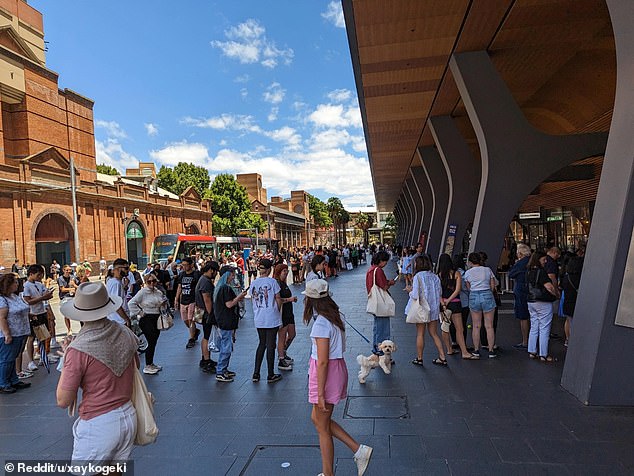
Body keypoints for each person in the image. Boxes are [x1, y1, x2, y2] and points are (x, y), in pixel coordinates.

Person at [56, 282, 139, 467]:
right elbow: (136, 366)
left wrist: (67, 357)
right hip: (128, 415)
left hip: (98, 422)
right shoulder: (125, 332)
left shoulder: (78, 349)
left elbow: (63, 400)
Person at [303, 279, 373, 476]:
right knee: (317, 420)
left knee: (322, 426)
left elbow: (323, 361)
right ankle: (358, 450)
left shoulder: (321, 324)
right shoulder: (335, 316)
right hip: (335, 369)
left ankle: (330, 472)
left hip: (326, 373)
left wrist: (320, 393)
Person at [406, 255, 447, 366]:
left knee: (420, 334)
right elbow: (439, 294)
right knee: (434, 333)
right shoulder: (435, 277)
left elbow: (415, 295)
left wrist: (409, 290)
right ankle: (442, 356)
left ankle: (419, 358)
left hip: (421, 309)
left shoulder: (417, 277)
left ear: (418, 264)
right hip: (433, 308)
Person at [249, 259, 283, 383]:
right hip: (271, 317)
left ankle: (256, 373)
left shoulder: (254, 283)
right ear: (269, 269)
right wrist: (277, 311)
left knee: (261, 344)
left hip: (259, 317)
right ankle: (270, 374)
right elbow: (278, 298)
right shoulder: (272, 282)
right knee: (270, 345)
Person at [128, 273, 168, 374]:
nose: (151, 283)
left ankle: (150, 363)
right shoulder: (143, 292)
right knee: (151, 341)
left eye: (153, 281)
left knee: (154, 342)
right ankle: (147, 365)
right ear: (146, 282)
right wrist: (140, 313)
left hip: (156, 318)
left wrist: (163, 304)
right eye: (149, 281)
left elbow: (163, 305)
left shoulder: (158, 292)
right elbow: (131, 303)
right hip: (146, 318)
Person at [437, 254, 474, 359]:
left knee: (445, 328)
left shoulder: (439, 275)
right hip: (456, 303)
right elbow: (457, 290)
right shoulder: (456, 273)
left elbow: (438, 292)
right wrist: (450, 300)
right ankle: (464, 352)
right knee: (459, 328)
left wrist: (443, 302)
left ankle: (449, 349)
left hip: (443, 304)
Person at [213, 266, 247, 382]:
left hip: (223, 321)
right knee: (226, 347)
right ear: (227, 275)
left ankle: (224, 369)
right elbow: (229, 304)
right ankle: (220, 371)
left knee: (226, 345)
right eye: (232, 275)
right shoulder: (225, 289)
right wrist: (240, 297)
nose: (233, 277)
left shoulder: (219, 288)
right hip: (226, 321)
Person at [0, 273, 32, 393]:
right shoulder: (2, 299)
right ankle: (3, 383)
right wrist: (7, 334)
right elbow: (1, 318)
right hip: (10, 334)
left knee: (12, 358)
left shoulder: (14, 296)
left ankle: (13, 379)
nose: (17, 284)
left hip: (20, 331)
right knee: (6, 359)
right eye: (15, 282)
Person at [463, 252, 498, 358]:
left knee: (476, 325)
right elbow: (493, 285)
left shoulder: (468, 273)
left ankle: (476, 350)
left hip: (474, 296)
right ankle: (491, 350)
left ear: (470, 262)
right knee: (489, 326)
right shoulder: (487, 270)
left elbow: (468, 287)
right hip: (487, 294)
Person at [526, 251, 559, 362]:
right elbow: (549, 287)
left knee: (534, 325)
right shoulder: (542, 272)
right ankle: (543, 354)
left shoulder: (528, 271)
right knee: (544, 327)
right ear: (538, 259)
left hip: (531, 301)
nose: (545, 261)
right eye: (544, 259)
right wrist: (556, 294)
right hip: (543, 301)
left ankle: (532, 351)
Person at [22, 265, 56, 372]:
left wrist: (48, 294)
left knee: (43, 336)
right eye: (38, 275)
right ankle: (31, 361)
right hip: (33, 313)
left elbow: (45, 293)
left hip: (41, 312)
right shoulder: (26, 286)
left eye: (41, 275)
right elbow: (27, 300)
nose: (40, 277)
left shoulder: (39, 284)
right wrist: (42, 298)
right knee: (32, 338)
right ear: (31, 274)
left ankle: (43, 355)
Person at [365, 251, 395, 355]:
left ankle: (376, 349)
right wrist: (390, 283)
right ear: (381, 260)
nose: (386, 264)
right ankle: (382, 352)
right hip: (381, 303)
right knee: (383, 328)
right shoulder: (378, 271)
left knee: (377, 328)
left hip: (374, 301)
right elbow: (384, 286)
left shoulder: (370, 270)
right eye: (385, 261)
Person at [195, 261, 220, 373]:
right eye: (215, 271)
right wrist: (211, 314)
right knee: (207, 336)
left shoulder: (202, 280)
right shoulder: (206, 282)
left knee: (206, 335)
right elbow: (207, 299)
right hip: (206, 313)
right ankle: (206, 360)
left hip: (202, 311)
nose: (216, 274)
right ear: (211, 270)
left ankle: (205, 358)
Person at [273, 263, 297, 371]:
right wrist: (289, 300)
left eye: (287, 270)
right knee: (281, 337)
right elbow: (277, 299)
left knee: (292, 334)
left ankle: (283, 352)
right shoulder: (277, 284)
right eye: (284, 271)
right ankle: (281, 358)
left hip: (289, 312)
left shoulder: (284, 283)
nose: (286, 272)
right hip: (282, 313)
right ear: (279, 272)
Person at [508, 244, 532, 349]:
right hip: (533, 291)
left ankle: (525, 341)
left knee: (523, 317)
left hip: (521, 291)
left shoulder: (520, 264)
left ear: (520, 253)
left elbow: (511, 274)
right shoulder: (533, 261)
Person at [560, 247, 585, 346]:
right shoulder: (582, 278)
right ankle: (578, 343)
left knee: (569, 322)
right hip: (578, 303)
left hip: (567, 302)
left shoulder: (566, 277)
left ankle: (568, 340)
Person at [174, 257, 201, 349]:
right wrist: (176, 299)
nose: (184, 267)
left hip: (192, 300)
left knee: (191, 319)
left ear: (191, 265)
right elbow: (179, 287)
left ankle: (191, 339)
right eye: (183, 265)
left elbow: (199, 287)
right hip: (183, 300)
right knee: (185, 321)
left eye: (186, 265)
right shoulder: (181, 275)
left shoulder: (196, 274)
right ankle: (195, 331)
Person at [105, 258, 132, 327]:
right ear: (118, 269)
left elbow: (119, 298)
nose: (128, 271)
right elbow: (116, 304)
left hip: (116, 319)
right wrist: (126, 319)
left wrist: (125, 287)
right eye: (126, 268)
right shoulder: (116, 283)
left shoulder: (112, 281)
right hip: (119, 320)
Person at [58, 265, 78, 335]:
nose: (68, 271)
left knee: (79, 311)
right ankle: (69, 329)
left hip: (73, 296)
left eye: (69, 270)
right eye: (67, 270)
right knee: (66, 315)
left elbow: (77, 285)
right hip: (65, 297)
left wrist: (74, 285)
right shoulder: (60, 279)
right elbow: (62, 289)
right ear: (63, 270)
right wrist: (71, 289)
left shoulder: (73, 277)